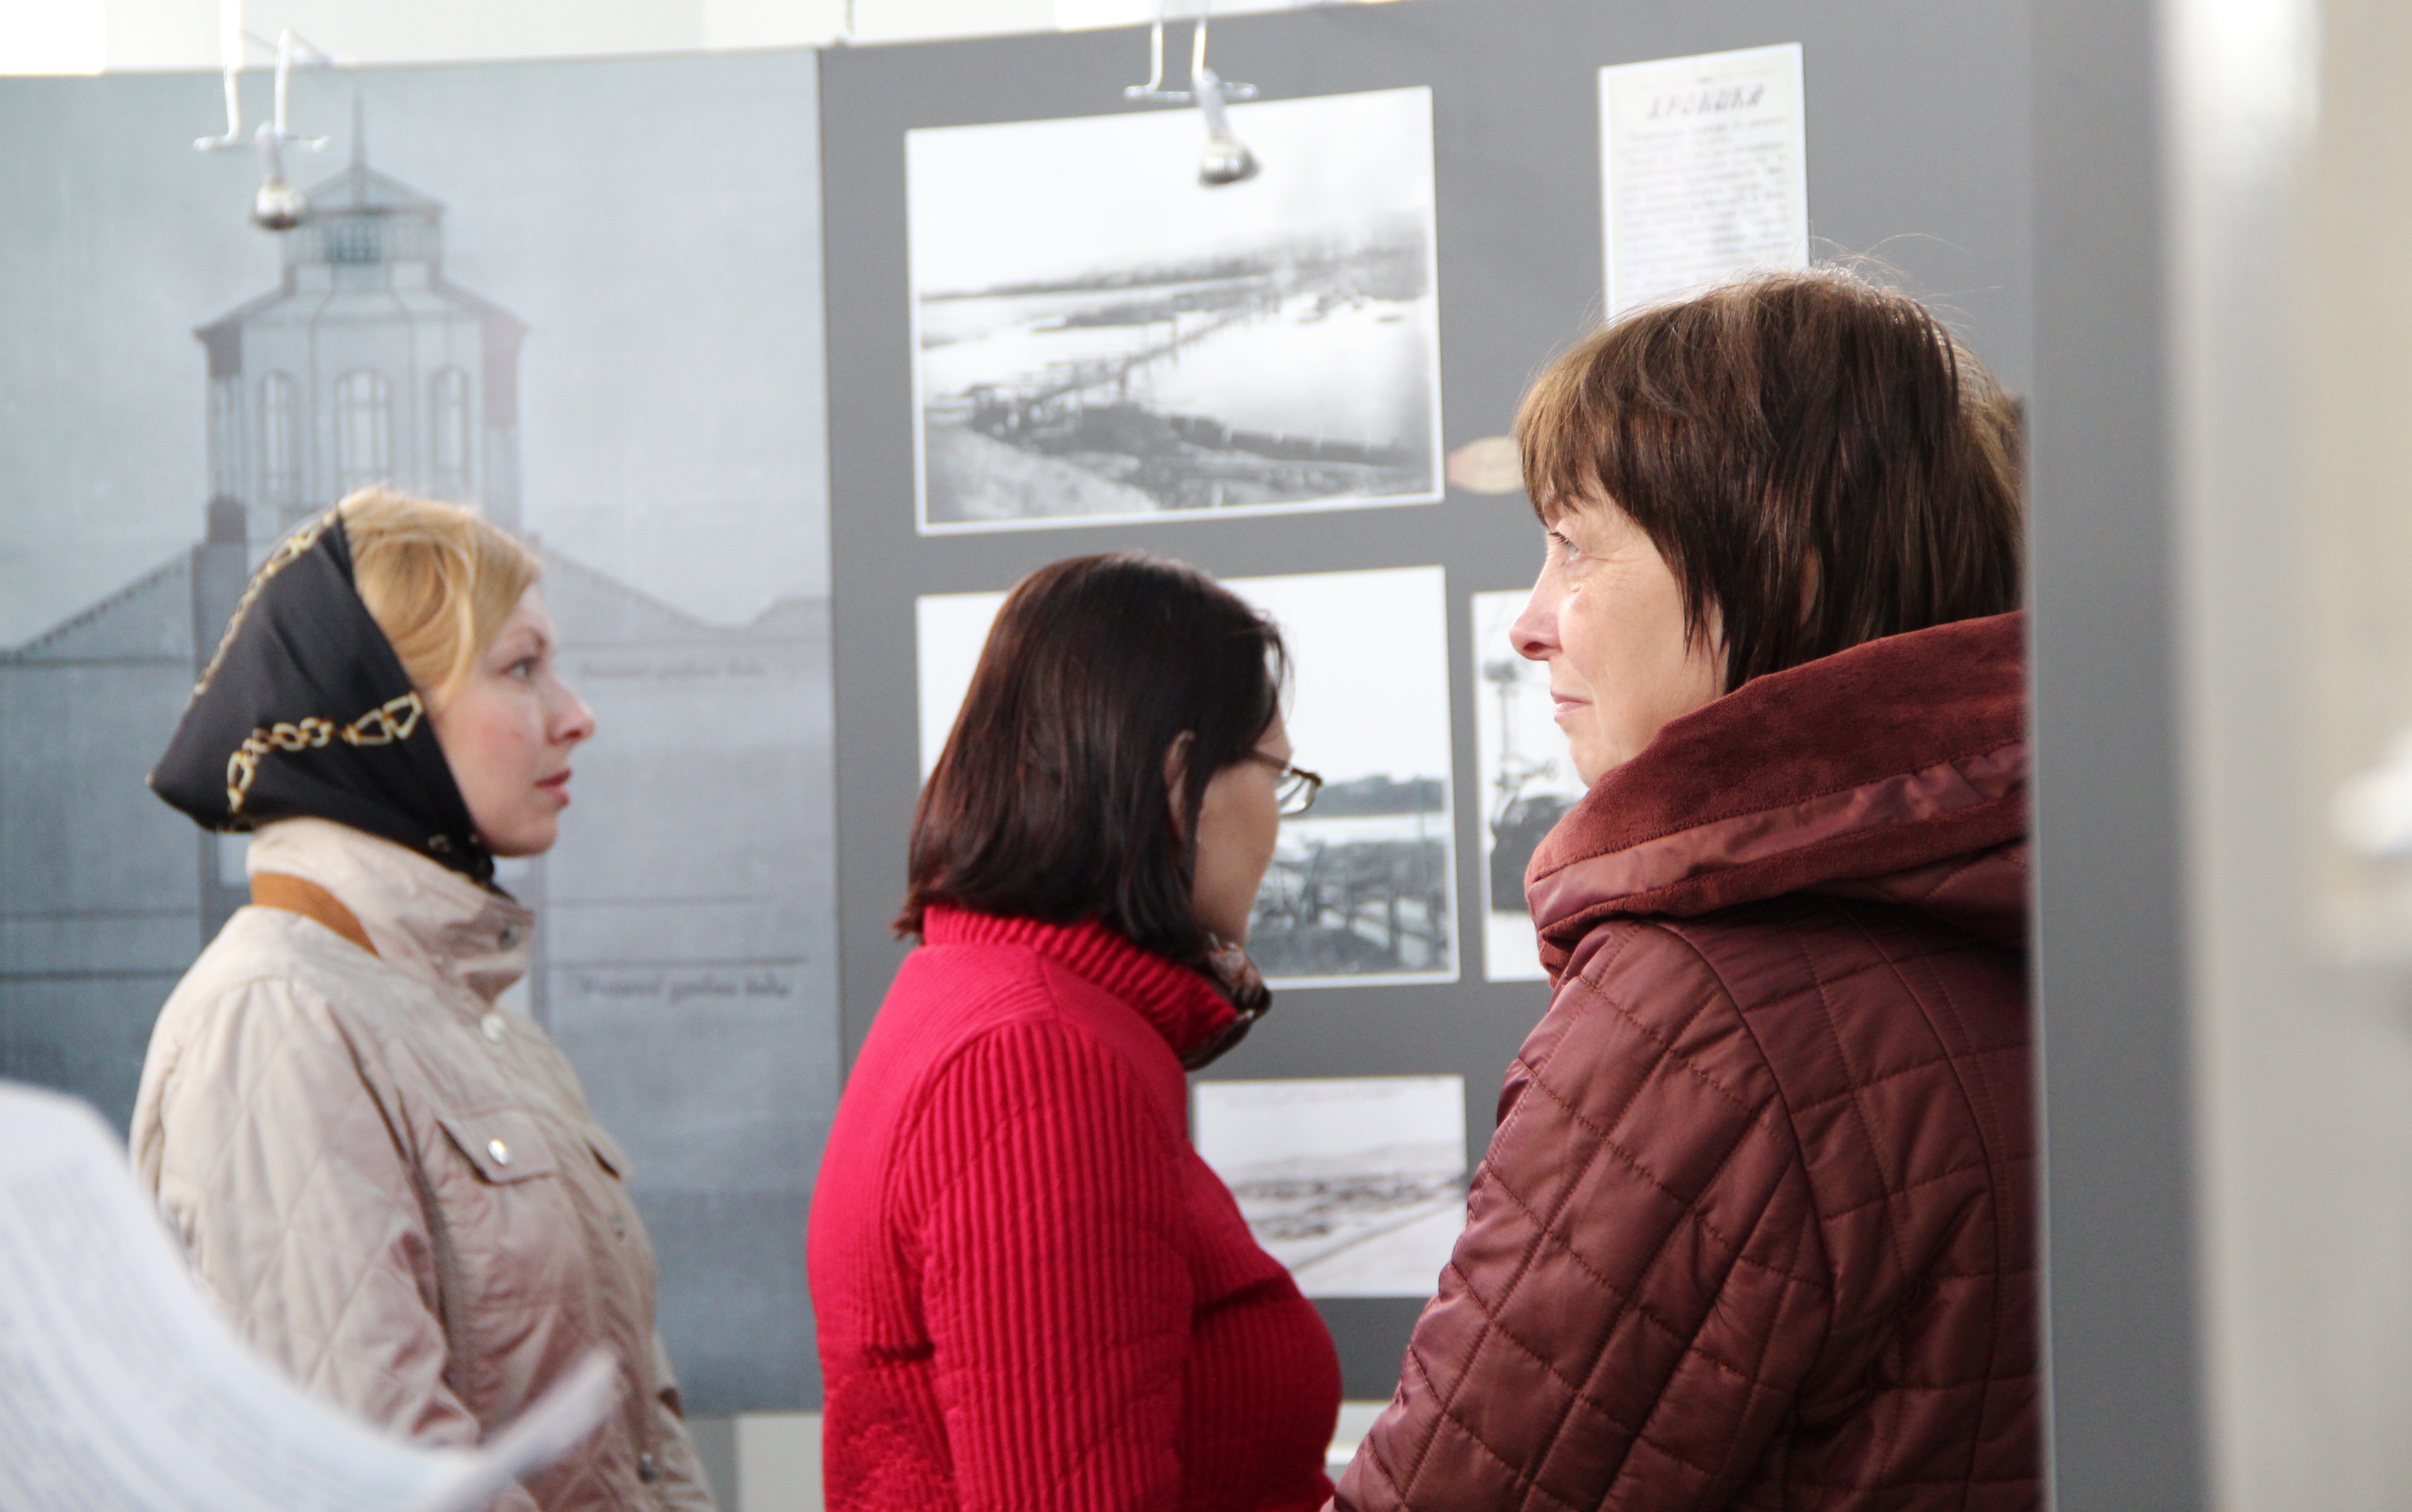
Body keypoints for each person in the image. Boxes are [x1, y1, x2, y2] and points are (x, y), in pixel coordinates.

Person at [1333, 269, 2038, 1510]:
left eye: (1573, 545)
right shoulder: (2043, 903)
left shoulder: (1699, 1012)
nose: (1529, 623)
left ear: (1784, 565)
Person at [134, 488, 714, 1512]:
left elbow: (641, 1439)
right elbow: (382, 1475)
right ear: (383, 714)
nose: (575, 714)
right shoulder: (275, 1019)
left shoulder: (474, 1025)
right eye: (521, 668)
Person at [808, 552, 1340, 1512]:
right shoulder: (1036, 1060)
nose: (1279, 822)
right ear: (1178, 783)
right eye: (1277, 776)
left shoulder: (993, 999)